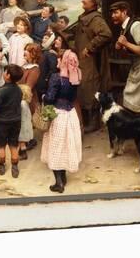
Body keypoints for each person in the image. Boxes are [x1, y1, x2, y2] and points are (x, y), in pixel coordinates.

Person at [40, 34, 82, 193]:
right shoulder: (76, 76)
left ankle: (59, 183)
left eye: (60, 59)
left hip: (57, 114)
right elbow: (73, 96)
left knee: (56, 147)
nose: (58, 61)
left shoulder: (56, 77)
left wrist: (44, 96)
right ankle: (63, 177)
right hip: (70, 114)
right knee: (66, 146)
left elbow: (50, 98)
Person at [72, 0, 112, 133]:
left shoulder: (95, 19)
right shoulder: (85, 16)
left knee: (90, 87)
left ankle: (94, 122)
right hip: (82, 60)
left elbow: (106, 34)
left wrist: (89, 47)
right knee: (82, 88)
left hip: (91, 61)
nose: (82, 0)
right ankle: (86, 120)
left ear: (94, 3)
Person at [0, 64, 24, 178]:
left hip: (3, 121)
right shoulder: (19, 90)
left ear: (8, 76)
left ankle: (1, 167)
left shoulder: (1, 91)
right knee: (13, 144)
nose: (3, 73)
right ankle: (15, 168)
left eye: (5, 72)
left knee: (1, 145)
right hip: (16, 120)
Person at [18, 43, 42, 115]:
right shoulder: (25, 65)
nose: (25, 52)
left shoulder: (35, 69)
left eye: (27, 50)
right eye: (25, 49)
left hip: (27, 101)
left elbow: (27, 88)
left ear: (33, 54)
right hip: (19, 97)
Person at [17, 84, 34, 161]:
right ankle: (22, 151)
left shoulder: (21, 104)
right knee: (22, 141)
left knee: (21, 141)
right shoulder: (26, 103)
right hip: (26, 124)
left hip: (22, 126)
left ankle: (23, 153)